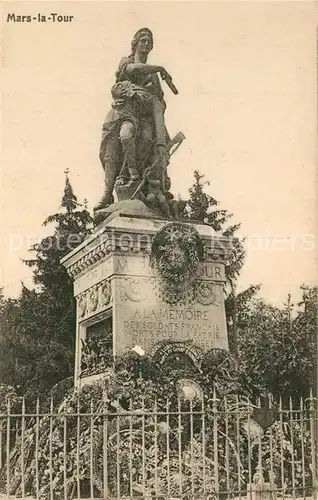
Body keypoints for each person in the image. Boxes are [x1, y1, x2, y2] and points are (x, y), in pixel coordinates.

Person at [95, 28, 173, 211]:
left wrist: (161, 140)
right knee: (112, 150)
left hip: (145, 117)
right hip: (123, 114)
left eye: (149, 41)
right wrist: (161, 68)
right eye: (143, 40)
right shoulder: (127, 62)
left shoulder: (153, 76)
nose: (146, 44)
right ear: (135, 43)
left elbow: (158, 103)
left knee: (146, 140)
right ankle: (108, 193)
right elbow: (133, 70)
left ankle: (140, 183)